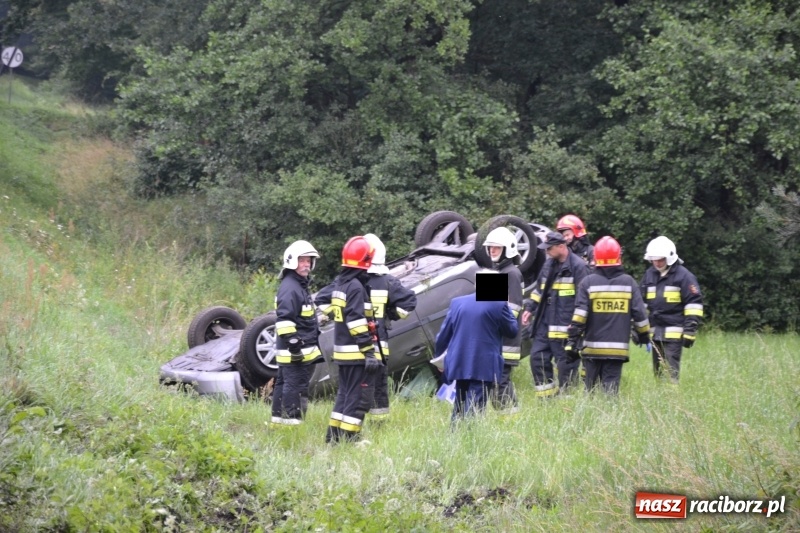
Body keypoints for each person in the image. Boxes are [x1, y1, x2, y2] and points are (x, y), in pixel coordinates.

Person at [566, 236, 650, 394]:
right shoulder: (629, 282)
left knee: (590, 392)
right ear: (619, 257)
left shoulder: (587, 282)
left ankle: (590, 418)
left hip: (591, 349)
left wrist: (572, 341)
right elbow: (640, 314)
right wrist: (644, 335)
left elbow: (580, 315)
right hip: (616, 350)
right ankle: (610, 418)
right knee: (610, 392)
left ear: (596, 258)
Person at [317, 236, 381, 443]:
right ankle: (350, 439)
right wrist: (369, 352)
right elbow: (356, 322)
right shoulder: (355, 287)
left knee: (344, 395)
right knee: (358, 397)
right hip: (356, 354)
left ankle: (333, 437)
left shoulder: (341, 284)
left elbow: (338, 313)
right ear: (366, 261)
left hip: (343, 352)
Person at [522, 231, 589, 397]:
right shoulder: (548, 264)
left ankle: (568, 398)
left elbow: (583, 299)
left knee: (566, 364)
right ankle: (547, 398)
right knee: (537, 358)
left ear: (561, 246)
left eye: (549, 248)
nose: (547, 252)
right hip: (545, 322)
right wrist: (530, 309)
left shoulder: (578, 267)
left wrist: (577, 324)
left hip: (565, 326)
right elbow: (539, 290)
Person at [434, 293, 519, 421]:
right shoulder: (499, 304)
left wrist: (439, 359)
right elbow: (512, 330)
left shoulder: (457, 302)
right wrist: (506, 305)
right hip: (483, 365)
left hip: (459, 361)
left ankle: (454, 436)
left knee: (460, 404)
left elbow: (442, 336)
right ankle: (468, 436)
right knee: (474, 406)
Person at [362, 233, 418, 421]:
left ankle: (353, 422)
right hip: (377, 345)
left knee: (354, 387)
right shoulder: (386, 281)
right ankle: (378, 425)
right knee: (378, 387)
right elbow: (409, 302)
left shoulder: (349, 281)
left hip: (351, 347)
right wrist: (390, 315)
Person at [271, 240, 324, 426]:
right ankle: (291, 423)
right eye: (302, 260)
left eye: (308, 260)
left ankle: (278, 420)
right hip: (294, 350)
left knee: (284, 383)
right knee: (295, 386)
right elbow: (284, 319)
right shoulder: (291, 287)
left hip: (295, 349)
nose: (306, 264)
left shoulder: (297, 285)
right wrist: (293, 343)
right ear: (292, 261)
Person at [639, 236, 704, 383]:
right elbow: (641, 304)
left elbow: (693, 304)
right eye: (654, 259)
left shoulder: (684, 276)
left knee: (671, 371)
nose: (656, 263)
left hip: (674, 332)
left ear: (669, 257)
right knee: (658, 372)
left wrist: (689, 330)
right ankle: (661, 398)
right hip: (655, 332)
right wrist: (638, 329)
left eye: (660, 259)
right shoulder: (649, 275)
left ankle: (673, 398)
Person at [481, 227, 524, 413]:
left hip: (505, 342)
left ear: (508, 249)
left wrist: (492, 327)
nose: (492, 250)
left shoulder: (512, 273)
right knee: (498, 381)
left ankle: (507, 417)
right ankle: (512, 413)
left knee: (500, 382)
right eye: (490, 247)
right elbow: (484, 308)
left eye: (496, 247)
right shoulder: (494, 272)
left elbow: (512, 310)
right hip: (493, 340)